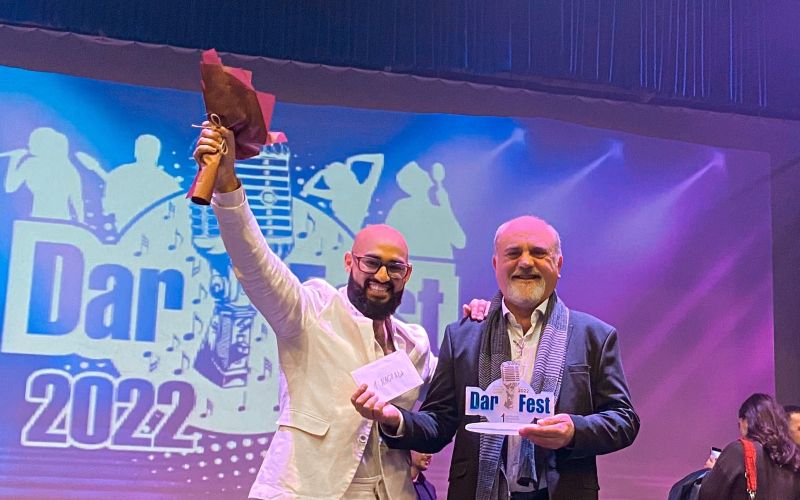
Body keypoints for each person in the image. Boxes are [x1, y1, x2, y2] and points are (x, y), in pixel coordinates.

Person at [193, 123, 438, 499]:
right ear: (349, 263)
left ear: (407, 275)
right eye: (371, 263)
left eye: (394, 268)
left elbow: (458, 389)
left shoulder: (414, 344)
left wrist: (485, 317)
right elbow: (255, 262)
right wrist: (226, 185)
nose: (382, 276)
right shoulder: (311, 311)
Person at [352, 215, 640, 499]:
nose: (525, 262)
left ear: (558, 264)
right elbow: (439, 424)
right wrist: (395, 418)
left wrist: (574, 430)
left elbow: (624, 420)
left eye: (538, 253)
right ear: (496, 264)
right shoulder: (462, 336)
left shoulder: (595, 336)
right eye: (513, 253)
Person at [699, 393, 800, 500]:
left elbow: (708, 495)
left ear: (746, 421)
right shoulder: (792, 457)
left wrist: (712, 473)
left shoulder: (738, 451)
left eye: (739, 424)